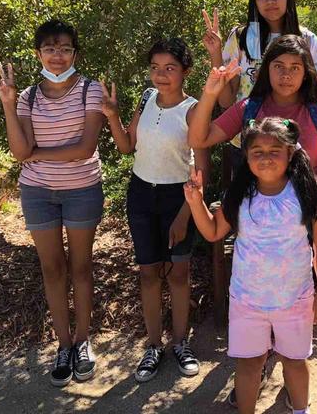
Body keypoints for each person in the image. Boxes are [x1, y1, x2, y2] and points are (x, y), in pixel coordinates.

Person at [183, 117, 317, 414]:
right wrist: (195, 202)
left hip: (295, 298)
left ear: (290, 153)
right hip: (248, 300)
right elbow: (213, 231)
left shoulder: (307, 193)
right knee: (250, 363)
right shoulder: (239, 196)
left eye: (274, 150)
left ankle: (300, 409)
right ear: (246, 157)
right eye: (257, 152)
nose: (265, 157)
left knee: (294, 361)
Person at [0, 20, 104, 387]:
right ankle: (63, 345)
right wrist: (9, 105)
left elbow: (85, 148)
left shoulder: (91, 90)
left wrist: (37, 153)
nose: (57, 56)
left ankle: (84, 341)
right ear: (38, 53)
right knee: (52, 270)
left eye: (65, 49)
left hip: (82, 189)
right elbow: (18, 151)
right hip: (38, 192)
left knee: (82, 268)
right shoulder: (27, 96)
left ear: (75, 52)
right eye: (50, 49)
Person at [100, 37, 209, 382]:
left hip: (179, 198)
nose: (161, 75)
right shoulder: (146, 99)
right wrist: (113, 116)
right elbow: (126, 146)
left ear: (185, 72)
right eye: (155, 68)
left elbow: (201, 169)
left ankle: (180, 343)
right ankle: (152, 345)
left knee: (178, 273)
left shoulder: (193, 110)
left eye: (170, 69)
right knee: (148, 273)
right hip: (141, 196)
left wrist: (184, 215)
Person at [201, 0, 317, 169]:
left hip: (295, 144)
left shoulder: (306, 39)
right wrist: (215, 52)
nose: (269, 0)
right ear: (254, 1)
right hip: (248, 144)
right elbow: (226, 101)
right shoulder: (240, 38)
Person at [188, 34, 317, 189]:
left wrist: (298, 190)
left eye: (295, 68)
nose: (286, 75)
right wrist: (209, 94)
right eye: (278, 66)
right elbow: (198, 140)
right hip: (253, 212)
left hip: (305, 213)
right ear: (267, 70)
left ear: (306, 74)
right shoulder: (248, 108)